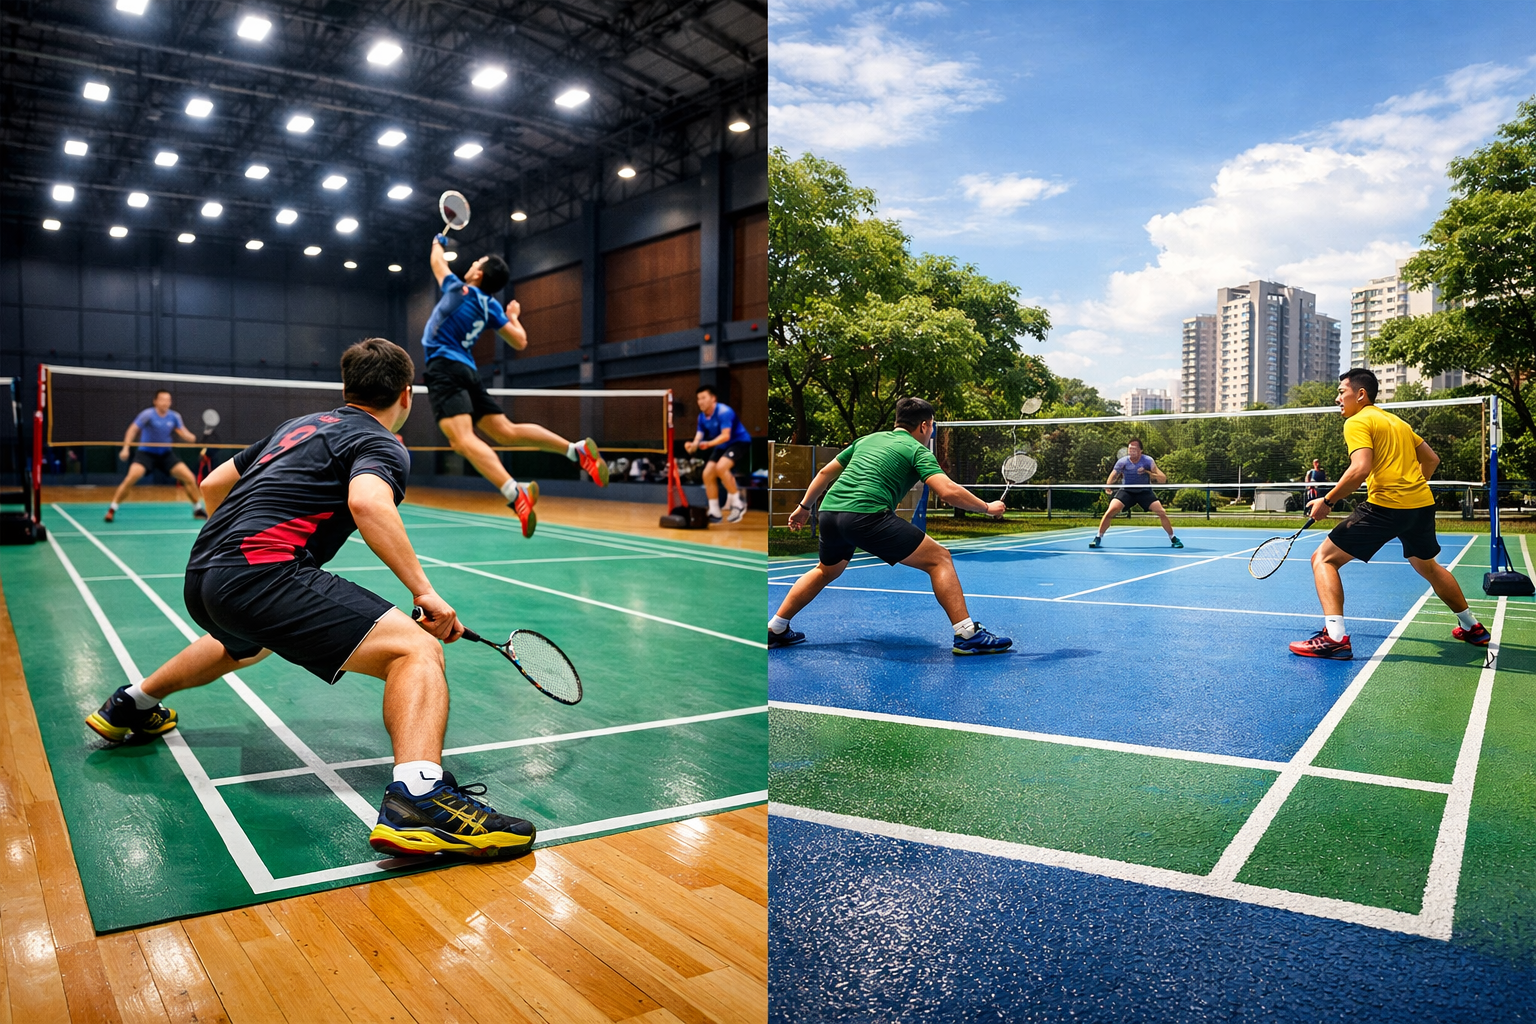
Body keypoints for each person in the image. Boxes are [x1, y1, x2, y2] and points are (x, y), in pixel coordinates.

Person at [84, 338, 537, 859]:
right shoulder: (382, 442)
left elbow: (212, 486)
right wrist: (424, 592)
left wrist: (239, 547)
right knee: (415, 650)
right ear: (407, 396)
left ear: (346, 389)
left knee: (250, 642)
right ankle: (420, 797)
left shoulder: (296, 428)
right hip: (258, 573)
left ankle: (131, 703)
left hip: (205, 574)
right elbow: (368, 502)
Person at [768, 397, 1012, 655]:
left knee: (825, 571)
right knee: (940, 559)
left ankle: (776, 627)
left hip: (830, 512)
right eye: (930, 429)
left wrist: (805, 507)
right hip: (866, 515)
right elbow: (947, 491)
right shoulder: (917, 450)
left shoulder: (866, 440)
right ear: (924, 426)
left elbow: (824, 474)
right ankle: (967, 635)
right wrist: (987, 507)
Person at [1290, 367, 1489, 660]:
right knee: (1428, 566)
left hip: (1386, 507)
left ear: (1360, 394)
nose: (1337, 399)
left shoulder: (1357, 421)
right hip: (1420, 506)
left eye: (1341, 392)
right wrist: (1412, 484)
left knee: (1323, 558)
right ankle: (1473, 628)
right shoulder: (1397, 422)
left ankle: (1334, 638)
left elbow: (1360, 468)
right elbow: (1431, 459)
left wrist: (1327, 501)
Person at [422, 234, 609, 538]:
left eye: (476, 263)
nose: (471, 264)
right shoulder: (490, 306)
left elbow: (436, 262)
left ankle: (515, 493)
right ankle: (576, 451)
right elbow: (519, 340)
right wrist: (513, 318)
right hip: (468, 371)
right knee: (505, 431)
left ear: (479, 274)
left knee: (461, 441)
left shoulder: (458, 288)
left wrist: (437, 241)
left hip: (444, 367)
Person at [106, 389, 207, 522]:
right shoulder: (147, 415)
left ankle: (197, 509)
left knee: (188, 477)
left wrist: (193, 438)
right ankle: (112, 508)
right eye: (162, 399)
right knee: (131, 477)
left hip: (165, 454)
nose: (165, 402)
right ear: (155, 401)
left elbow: (183, 433)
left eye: (168, 400)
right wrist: (126, 448)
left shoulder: (174, 416)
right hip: (146, 454)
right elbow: (132, 429)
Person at [1089, 438, 1182, 548]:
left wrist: (1147, 472)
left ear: (1140, 450)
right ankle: (1098, 537)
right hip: (1127, 491)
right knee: (1110, 511)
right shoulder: (1123, 462)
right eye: (1130, 449)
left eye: (1134, 449)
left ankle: (1173, 538)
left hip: (1144, 491)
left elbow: (1163, 479)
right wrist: (1108, 485)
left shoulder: (1148, 461)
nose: (1131, 451)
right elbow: (1114, 474)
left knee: (1161, 512)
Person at [685, 384, 752, 524]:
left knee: (721, 467)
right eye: (698, 398)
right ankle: (714, 512)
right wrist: (692, 446)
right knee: (707, 473)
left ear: (713, 399)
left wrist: (708, 444)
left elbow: (726, 436)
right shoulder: (701, 417)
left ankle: (737, 502)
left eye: (703, 397)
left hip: (739, 442)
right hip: (722, 446)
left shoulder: (724, 412)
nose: (700, 401)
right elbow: (698, 437)